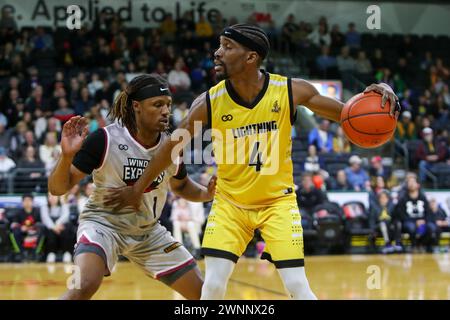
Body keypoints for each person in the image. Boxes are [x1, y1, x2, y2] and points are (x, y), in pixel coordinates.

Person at [105, 24, 398, 300]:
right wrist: (137, 188)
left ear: (250, 57)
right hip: (231, 204)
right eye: (220, 46)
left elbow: (350, 116)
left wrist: (378, 95)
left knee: (297, 285)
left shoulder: (289, 91)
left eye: (227, 46)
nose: (217, 53)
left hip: (278, 204)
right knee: (213, 286)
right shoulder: (208, 102)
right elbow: (170, 149)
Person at [48, 74, 216, 300]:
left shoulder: (170, 146)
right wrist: (66, 156)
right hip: (103, 225)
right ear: (136, 106)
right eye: (157, 105)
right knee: (82, 286)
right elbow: (58, 189)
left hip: (148, 232)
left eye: (167, 105)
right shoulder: (105, 139)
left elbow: (182, 185)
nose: (166, 111)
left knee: (204, 295)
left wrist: (207, 193)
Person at [40, 193, 74, 263]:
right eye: (50, 196)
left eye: (54, 196)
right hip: (51, 228)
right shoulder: (44, 207)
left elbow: (66, 216)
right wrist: (54, 227)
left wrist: (57, 224)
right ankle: (51, 253)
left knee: (67, 227)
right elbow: (45, 218)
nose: (52, 198)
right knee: (48, 230)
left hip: (61, 227)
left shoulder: (64, 205)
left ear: (58, 197)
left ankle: (66, 253)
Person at [9, 194, 45, 262]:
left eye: (29, 200)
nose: (27, 202)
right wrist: (21, 227)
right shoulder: (18, 212)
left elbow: (41, 223)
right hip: (22, 232)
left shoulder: (37, 212)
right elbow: (14, 224)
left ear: (32, 202)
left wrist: (32, 228)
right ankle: (20, 253)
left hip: (34, 232)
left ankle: (36, 252)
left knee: (42, 229)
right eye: (25, 201)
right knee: (13, 231)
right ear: (22, 202)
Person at [369, 190, 402, 254]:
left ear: (388, 199)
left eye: (385, 198)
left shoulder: (392, 206)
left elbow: (396, 217)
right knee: (383, 224)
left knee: (398, 223)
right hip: (379, 226)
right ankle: (388, 244)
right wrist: (372, 230)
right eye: (381, 197)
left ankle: (397, 243)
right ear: (378, 199)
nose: (383, 199)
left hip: (390, 226)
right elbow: (371, 220)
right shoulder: (374, 208)